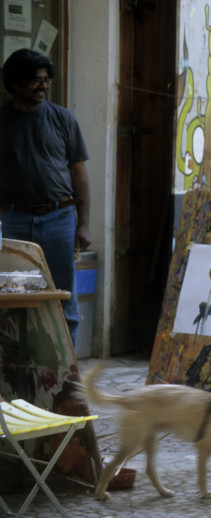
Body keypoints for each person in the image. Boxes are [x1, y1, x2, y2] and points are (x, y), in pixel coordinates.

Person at [0, 49, 91, 348]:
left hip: (59, 220)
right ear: (14, 83)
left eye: (46, 79)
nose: (43, 86)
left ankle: (67, 380)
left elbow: (79, 174)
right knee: (13, 299)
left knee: (63, 299)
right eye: (35, 80)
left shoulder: (62, 118)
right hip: (14, 220)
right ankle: (20, 375)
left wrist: (84, 225)